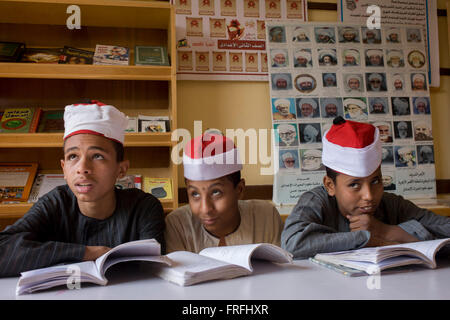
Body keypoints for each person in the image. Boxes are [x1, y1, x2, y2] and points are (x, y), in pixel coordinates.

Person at [0, 101, 166, 277]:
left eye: (97, 156)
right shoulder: (55, 203)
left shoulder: (144, 208)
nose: (82, 168)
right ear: (64, 168)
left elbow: (153, 273)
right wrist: (86, 253)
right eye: (73, 156)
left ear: (121, 169)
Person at [281, 117, 450, 259]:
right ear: (330, 185)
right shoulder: (316, 201)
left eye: (375, 181)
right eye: (354, 185)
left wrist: (386, 230)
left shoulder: (392, 204)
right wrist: (369, 239)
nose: (369, 196)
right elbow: (293, 244)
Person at [164, 133, 283, 253]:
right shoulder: (177, 225)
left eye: (216, 192)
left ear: (239, 190)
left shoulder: (266, 218)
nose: (206, 209)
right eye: (195, 194)